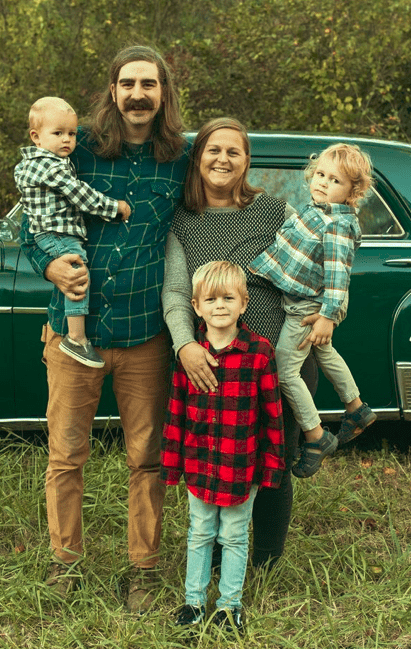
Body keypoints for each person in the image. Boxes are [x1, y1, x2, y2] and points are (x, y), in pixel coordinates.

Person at [19, 46, 189, 612]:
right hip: (74, 334)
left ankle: (142, 569)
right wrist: (49, 264)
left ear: (163, 92)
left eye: (149, 84)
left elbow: (218, 207)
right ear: (112, 92)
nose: (138, 94)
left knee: (148, 458)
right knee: (67, 455)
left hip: (145, 335)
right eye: (127, 84)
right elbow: (32, 219)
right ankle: (64, 564)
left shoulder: (179, 158)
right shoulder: (76, 149)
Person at [161, 116, 319, 571]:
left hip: (276, 360)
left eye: (234, 151)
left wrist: (319, 306)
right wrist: (184, 346)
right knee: (213, 458)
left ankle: (266, 560)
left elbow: (319, 257)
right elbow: (174, 291)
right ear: (198, 158)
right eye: (213, 150)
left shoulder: (275, 212)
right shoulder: (184, 222)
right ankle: (211, 558)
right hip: (208, 363)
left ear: (247, 160)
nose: (223, 159)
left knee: (275, 458)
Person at [162, 261, 285, 633]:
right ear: (196, 307)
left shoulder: (259, 352)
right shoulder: (190, 355)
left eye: (228, 298)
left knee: (234, 534)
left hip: (240, 465)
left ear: (243, 304)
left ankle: (230, 606)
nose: (220, 306)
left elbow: (272, 416)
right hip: (200, 464)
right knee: (199, 532)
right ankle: (193, 603)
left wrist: (271, 468)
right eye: (211, 299)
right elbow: (176, 412)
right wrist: (171, 466)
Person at [249, 143, 377, 477]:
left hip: (306, 308)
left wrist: (327, 316)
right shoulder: (318, 210)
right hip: (304, 302)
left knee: (284, 369)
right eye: (320, 174)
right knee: (324, 353)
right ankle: (356, 407)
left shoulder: (337, 225)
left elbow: (338, 276)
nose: (322, 182)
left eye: (335, 180)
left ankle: (316, 435)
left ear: (352, 191)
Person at [14, 96, 131, 368]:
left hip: (50, 231)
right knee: (77, 273)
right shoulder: (51, 166)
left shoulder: (35, 163)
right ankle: (76, 338)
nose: (67, 140)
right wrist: (115, 208)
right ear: (36, 136)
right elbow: (82, 196)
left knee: (76, 271)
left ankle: (76, 336)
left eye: (72, 134)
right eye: (58, 133)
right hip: (57, 234)